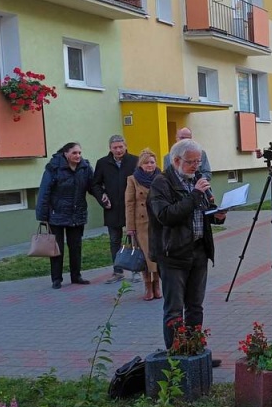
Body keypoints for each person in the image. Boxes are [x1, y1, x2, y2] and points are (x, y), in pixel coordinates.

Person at [148, 139, 227, 357]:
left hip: (199, 251)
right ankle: (177, 357)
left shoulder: (198, 180)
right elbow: (166, 216)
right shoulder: (161, 183)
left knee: (195, 306)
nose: (196, 166)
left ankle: (196, 352)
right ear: (176, 161)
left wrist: (217, 215)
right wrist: (195, 196)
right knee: (174, 309)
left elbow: (205, 209)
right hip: (173, 254)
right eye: (191, 162)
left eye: (198, 161)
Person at [36, 142, 95, 289]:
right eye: (74, 153)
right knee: (57, 248)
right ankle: (56, 279)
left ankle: (76, 276)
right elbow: (44, 192)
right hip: (57, 215)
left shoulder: (85, 168)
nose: (78, 156)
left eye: (80, 153)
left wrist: (105, 198)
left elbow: (93, 187)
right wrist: (42, 215)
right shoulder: (53, 168)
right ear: (65, 154)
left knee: (76, 247)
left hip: (77, 214)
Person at [92, 135, 137, 284]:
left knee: (135, 239)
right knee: (114, 240)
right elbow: (95, 185)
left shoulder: (135, 161)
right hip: (112, 208)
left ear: (126, 146)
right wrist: (102, 197)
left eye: (120, 147)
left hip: (132, 208)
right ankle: (117, 271)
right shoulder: (103, 163)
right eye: (115, 147)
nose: (118, 150)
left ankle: (136, 271)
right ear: (110, 148)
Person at [125, 148, 161, 301]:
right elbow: (129, 203)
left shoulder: (161, 177)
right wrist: (130, 227)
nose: (150, 165)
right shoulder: (133, 179)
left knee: (157, 255)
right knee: (145, 257)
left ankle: (157, 285)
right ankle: (148, 286)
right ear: (141, 165)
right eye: (146, 163)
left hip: (159, 221)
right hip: (141, 223)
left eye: (152, 162)